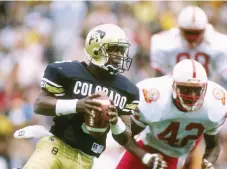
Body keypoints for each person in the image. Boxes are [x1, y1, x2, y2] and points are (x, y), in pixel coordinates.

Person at [18, 24, 139, 169]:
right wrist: (77, 105)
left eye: (122, 50)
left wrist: (115, 122)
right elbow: (40, 104)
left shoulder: (127, 89)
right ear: (95, 49)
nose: (119, 56)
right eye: (114, 49)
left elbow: (125, 138)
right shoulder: (68, 72)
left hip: (85, 161)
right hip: (55, 148)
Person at [116, 59, 226, 169]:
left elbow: (213, 146)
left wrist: (209, 162)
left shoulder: (214, 104)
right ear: (174, 87)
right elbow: (125, 136)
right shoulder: (155, 99)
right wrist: (145, 156)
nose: (192, 96)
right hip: (147, 144)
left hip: (177, 155)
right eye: (186, 89)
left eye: (197, 90)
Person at [150, 5, 227, 84]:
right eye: (188, 32)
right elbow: (159, 77)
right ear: (179, 28)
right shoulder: (163, 42)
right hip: (175, 88)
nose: (192, 37)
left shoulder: (220, 43)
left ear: (205, 29)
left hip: (209, 89)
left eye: (197, 32)